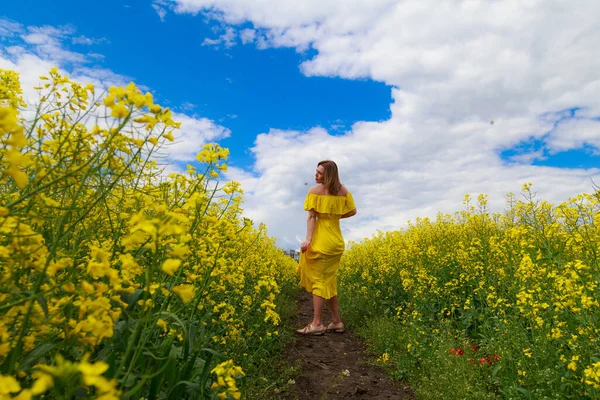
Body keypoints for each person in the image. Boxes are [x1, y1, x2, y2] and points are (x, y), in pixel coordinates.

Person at [296, 160, 357, 335]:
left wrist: (308, 239)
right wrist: (335, 216)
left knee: (319, 281)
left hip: (322, 242)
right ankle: (337, 322)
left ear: (328, 175)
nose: (316, 175)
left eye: (320, 173)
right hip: (336, 241)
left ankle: (317, 324)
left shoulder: (314, 191)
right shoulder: (343, 191)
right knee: (328, 281)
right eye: (316, 172)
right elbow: (353, 211)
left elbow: (311, 217)